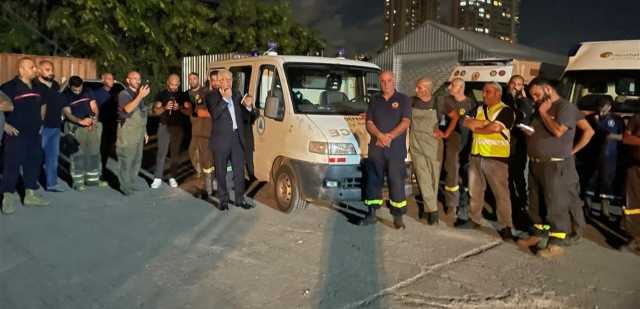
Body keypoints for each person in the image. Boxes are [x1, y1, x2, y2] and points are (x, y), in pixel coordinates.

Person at [519, 78, 582, 258]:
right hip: (536, 162)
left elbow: (558, 131)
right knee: (536, 202)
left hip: (554, 164)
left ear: (547, 89)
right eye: (532, 96)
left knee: (556, 204)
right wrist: (527, 130)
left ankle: (557, 243)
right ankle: (538, 235)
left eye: (537, 94)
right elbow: (536, 130)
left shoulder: (565, 107)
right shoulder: (540, 109)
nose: (535, 98)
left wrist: (544, 113)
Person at [462, 82, 516, 240]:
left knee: (501, 194)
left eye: (488, 92)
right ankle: (474, 219)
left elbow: (496, 128)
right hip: (476, 155)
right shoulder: (478, 108)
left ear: (498, 94)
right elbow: (465, 122)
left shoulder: (505, 110)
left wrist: (478, 128)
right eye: (484, 92)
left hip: (495, 157)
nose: (484, 94)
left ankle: (506, 225)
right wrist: (486, 124)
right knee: (475, 190)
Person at [0, 57, 49, 215]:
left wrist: (40, 123)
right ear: (21, 70)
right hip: (16, 134)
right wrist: (4, 125)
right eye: (31, 67)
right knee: (11, 165)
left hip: (34, 134)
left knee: (33, 163)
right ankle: (7, 197)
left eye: (35, 67)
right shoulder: (9, 87)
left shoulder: (38, 86)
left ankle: (30, 195)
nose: (35, 69)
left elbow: (43, 105)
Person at [363, 71, 411, 229]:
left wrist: (389, 136)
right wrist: (379, 136)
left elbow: (405, 122)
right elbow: (369, 122)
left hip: (395, 149)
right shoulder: (374, 99)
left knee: (396, 181)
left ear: (394, 81)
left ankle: (398, 217)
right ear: (379, 82)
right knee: (373, 180)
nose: (386, 83)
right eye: (382, 81)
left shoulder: (403, 99)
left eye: (389, 80)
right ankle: (371, 214)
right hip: (376, 148)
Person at [205, 69, 256, 210]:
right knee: (221, 172)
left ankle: (240, 200)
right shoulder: (211, 96)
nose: (228, 82)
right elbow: (214, 114)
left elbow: (246, 117)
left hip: (236, 138)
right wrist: (225, 99)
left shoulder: (237, 94)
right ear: (219, 81)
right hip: (221, 140)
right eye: (224, 80)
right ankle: (223, 201)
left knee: (239, 172)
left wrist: (249, 106)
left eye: (230, 79)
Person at [410, 77, 458, 225]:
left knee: (433, 177)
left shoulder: (440, 102)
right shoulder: (412, 101)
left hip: (433, 144)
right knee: (421, 176)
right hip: (416, 143)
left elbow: (455, 117)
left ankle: (428, 209)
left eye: (419, 88)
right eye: (417, 87)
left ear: (428, 89)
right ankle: (432, 211)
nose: (416, 90)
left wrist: (446, 133)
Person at [441, 78, 477, 226]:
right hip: (453, 138)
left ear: (461, 87)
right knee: (452, 170)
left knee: (467, 171)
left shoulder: (471, 103)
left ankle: (467, 200)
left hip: (469, 139)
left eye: (453, 85)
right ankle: (452, 204)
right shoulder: (445, 101)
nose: (449, 87)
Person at [62, 76, 107, 191]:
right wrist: (79, 121)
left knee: (93, 153)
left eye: (79, 88)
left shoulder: (87, 91)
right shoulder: (65, 95)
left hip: (91, 126)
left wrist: (93, 120)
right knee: (78, 155)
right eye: (75, 89)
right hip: (75, 127)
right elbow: (67, 113)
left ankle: (93, 180)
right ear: (69, 86)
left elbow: (94, 107)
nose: (78, 91)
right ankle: (78, 183)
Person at [502, 75, 535, 231]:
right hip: (505, 142)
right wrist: (511, 96)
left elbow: (527, 115)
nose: (515, 86)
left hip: (520, 143)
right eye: (513, 83)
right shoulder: (504, 98)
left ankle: (522, 203)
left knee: (520, 175)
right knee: (506, 175)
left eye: (519, 84)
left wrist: (523, 99)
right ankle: (510, 205)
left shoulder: (525, 102)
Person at [583, 97, 623, 219]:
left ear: (609, 107)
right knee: (591, 179)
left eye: (604, 106)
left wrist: (614, 136)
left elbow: (620, 135)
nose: (601, 109)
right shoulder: (592, 118)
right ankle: (587, 208)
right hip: (594, 154)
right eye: (599, 106)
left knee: (607, 181)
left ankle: (604, 211)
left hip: (609, 155)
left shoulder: (615, 119)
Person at [151, 74, 189, 189]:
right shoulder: (161, 94)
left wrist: (180, 108)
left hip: (177, 128)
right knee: (161, 153)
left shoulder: (183, 95)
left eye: (177, 84)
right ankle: (157, 178)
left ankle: (173, 177)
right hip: (164, 126)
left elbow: (189, 111)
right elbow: (155, 111)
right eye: (172, 84)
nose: (174, 86)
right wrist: (164, 107)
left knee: (175, 154)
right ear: (168, 82)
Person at [35, 60, 68, 192]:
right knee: (36, 156)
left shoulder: (54, 84)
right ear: (38, 71)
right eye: (47, 69)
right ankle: (30, 183)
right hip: (41, 127)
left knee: (52, 157)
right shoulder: (35, 85)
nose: (51, 72)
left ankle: (52, 183)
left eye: (52, 70)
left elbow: (57, 97)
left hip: (55, 126)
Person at [117, 71, 150, 195]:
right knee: (126, 160)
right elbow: (127, 109)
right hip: (127, 133)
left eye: (139, 78)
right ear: (128, 80)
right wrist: (140, 96)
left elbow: (141, 115)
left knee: (136, 160)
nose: (137, 81)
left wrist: (145, 132)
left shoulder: (138, 95)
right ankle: (125, 186)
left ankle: (131, 183)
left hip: (139, 133)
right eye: (134, 78)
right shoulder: (123, 94)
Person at [183, 72, 215, 196]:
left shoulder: (206, 92)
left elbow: (208, 110)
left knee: (207, 159)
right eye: (190, 79)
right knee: (192, 153)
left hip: (205, 130)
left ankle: (209, 187)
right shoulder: (187, 94)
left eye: (194, 78)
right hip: (195, 130)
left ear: (199, 79)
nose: (192, 81)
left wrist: (196, 109)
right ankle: (205, 177)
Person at [622, 112, 640, 252]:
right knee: (633, 204)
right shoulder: (637, 117)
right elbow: (626, 138)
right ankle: (636, 237)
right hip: (635, 167)